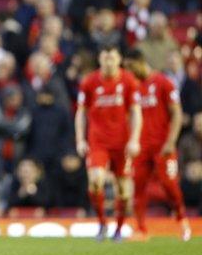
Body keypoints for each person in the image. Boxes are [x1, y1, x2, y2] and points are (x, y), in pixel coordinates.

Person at [122, 49, 191, 241]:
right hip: (141, 147)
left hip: (162, 146)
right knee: (138, 186)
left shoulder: (163, 82)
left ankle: (183, 222)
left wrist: (171, 141)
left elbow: (176, 113)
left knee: (170, 186)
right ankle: (141, 229)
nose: (129, 72)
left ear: (140, 62)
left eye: (130, 67)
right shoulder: (133, 87)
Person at [75, 45, 142, 242]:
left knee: (124, 189)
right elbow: (81, 112)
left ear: (119, 59)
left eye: (112, 58)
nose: (109, 62)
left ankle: (119, 229)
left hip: (121, 143)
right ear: (100, 59)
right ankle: (102, 223)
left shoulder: (129, 81)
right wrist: (80, 139)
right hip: (98, 142)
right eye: (105, 58)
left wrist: (134, 139)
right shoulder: (89, 82)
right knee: (96, 181)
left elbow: (136, 111)